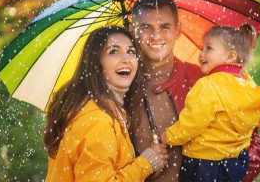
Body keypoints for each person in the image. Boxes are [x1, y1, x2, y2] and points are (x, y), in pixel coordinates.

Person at [129, 0, 260, 182]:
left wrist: (226, 175)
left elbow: (253, 142)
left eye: (165, 27)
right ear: (132, 29)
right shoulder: (121, 87)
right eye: (146, 27)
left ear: (178, 30)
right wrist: (143, 166)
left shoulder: (207, 79)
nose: (156, 36)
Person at [44, 26, 168, 181]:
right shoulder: (97, 121)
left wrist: (148, 165)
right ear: (97, 63)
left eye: (131, 51)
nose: (126, 59)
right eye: (113, 51)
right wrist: (146, 164)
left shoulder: (107, 111)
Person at [160, 24, 260, 182]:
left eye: (209, 48)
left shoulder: (208, 85)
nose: (201, 54)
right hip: (235, 163)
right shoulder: (248, 84)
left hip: (203, 164)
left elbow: (192, 123)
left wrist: (169, 137)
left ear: (230, 56)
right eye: (202, 48)